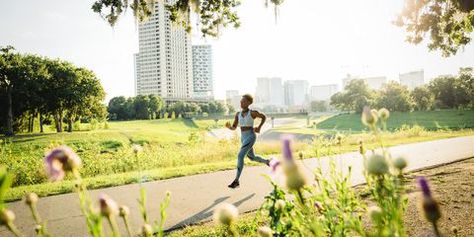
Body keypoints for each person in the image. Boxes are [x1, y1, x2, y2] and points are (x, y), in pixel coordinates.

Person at [225, 94, 270, 188]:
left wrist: (259, 127)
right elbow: (234, 127)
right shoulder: (238, 114)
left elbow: (263, 117)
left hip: (250, 136)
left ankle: (236, 181)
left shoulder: (252, 113)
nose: (241, 103)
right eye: (241, 101)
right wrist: (229, 127)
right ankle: (267, 161)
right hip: (243, 138)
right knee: (252, 157)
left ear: (249, 103)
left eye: (244, 101)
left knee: (240, 155)